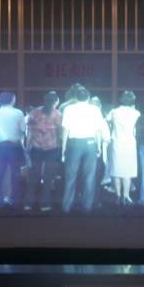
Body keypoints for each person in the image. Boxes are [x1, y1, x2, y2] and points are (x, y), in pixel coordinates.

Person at [60, 86, 110, 214]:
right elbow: (98, 130)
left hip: (74, 144)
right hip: (90, 143)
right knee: (90, 176)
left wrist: (63, 147)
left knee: (70, 176)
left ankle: (66, 206)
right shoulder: (95, 109)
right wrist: (98, 146)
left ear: (76, 97)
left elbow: (65, 130)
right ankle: (87, 206)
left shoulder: (68, 109)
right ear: (88, 97)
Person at [23, 90, 63, 211]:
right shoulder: (58, 114)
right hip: (52, 149)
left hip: (36, 148)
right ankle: (45, 205)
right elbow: (60, 133)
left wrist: (27, 147)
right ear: (56, 102)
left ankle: (28, 204)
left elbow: (29, 132)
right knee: (48, 178)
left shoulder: (34, 112)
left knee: (33, 176)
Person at [0, 91, 26, 210]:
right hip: (15, 146)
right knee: (16, 175)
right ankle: (15, 201)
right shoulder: (18, 113)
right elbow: (23, 130)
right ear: (12, 100)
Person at [106, 90, 141, 206]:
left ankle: (118, 195)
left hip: (117, 142)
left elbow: (107, 121)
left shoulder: (114, 112)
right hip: (130, 143)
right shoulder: (136, 113)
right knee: (127, 170)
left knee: (116, 170)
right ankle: (126, 196)